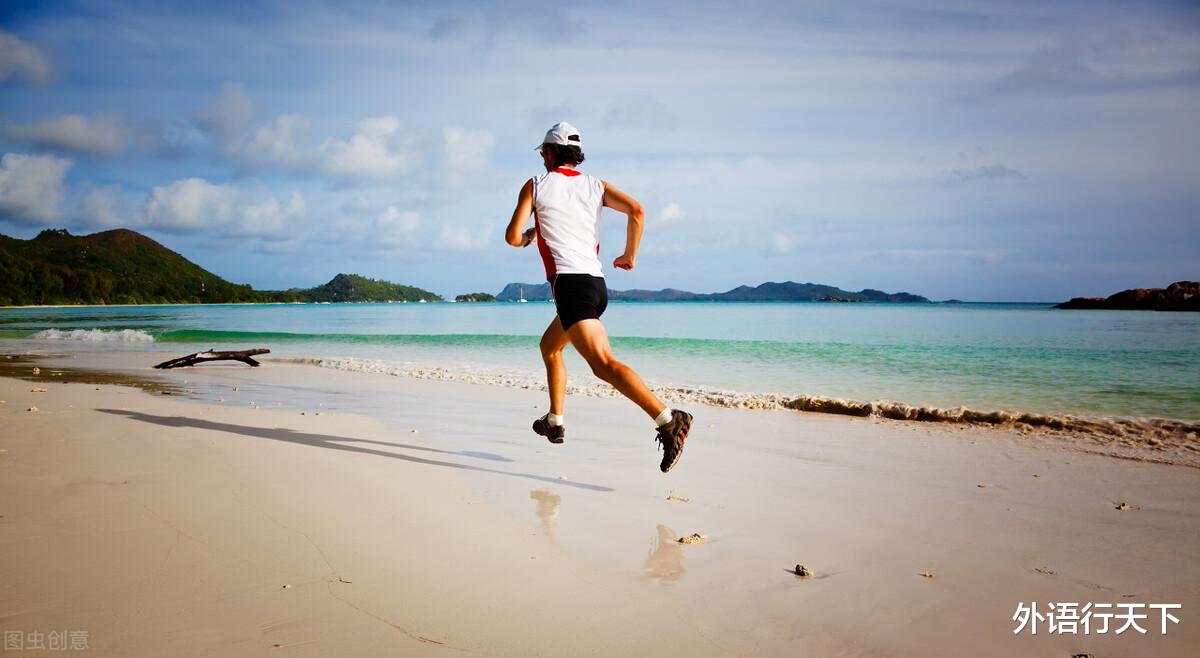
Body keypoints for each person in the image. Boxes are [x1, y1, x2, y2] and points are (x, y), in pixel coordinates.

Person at [504, 121, 693, 473]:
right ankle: (555, 420)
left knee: (603, 364)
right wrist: (629, 255)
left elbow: (512, 237)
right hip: (596, 285)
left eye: (543, 151)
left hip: (571, 286)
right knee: (550, 347)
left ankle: (669, 420)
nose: (542, 156)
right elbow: (637, 211)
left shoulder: (535, 184)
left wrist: (531, 235)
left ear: (550, 152)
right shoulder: (596, 185)